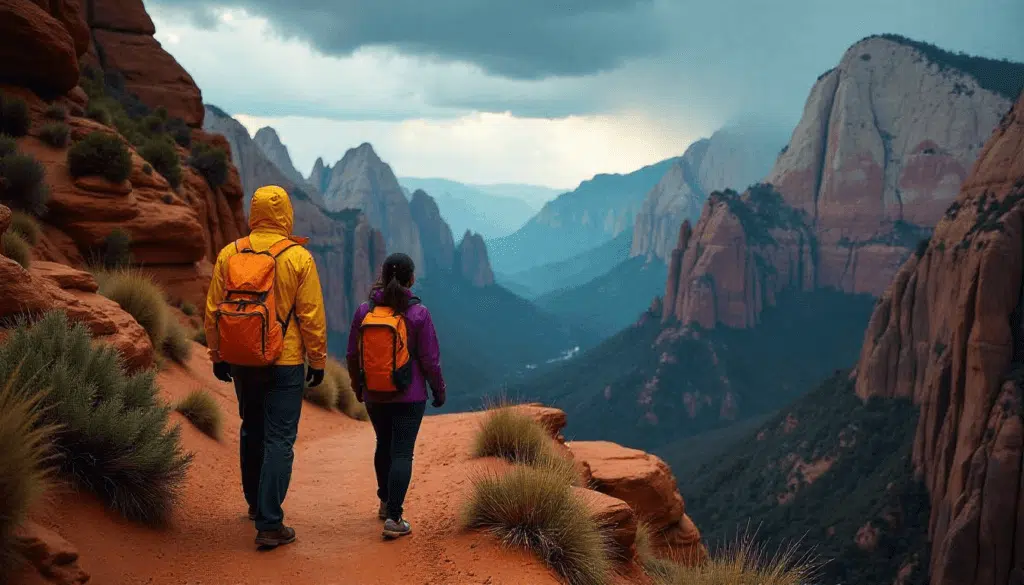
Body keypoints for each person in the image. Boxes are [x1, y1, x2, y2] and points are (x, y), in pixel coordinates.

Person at [204, 185, 328, 548]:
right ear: (286, 214)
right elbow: (311, 317)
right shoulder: (298, 258)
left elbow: (213, 310)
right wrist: (317, 360)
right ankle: (270, 522)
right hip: (285, 362)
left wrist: (217, 355)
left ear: (253, 212)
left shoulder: (230, 252)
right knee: (279, 438)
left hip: (242, 358)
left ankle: (253, 504)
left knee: (252, 429)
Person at [346, 252, 446, 540]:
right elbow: (430, 360)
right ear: (411, 278)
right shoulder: (419, 314)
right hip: (409, 395)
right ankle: (394, 517)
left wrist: (357, 387)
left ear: (383, 276)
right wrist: (438, 390)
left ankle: (384, 501)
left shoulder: (364, 311)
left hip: (375, 393)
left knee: (384, 444)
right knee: (402, 451)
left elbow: (353, 355)